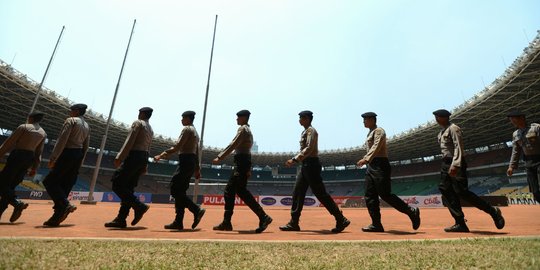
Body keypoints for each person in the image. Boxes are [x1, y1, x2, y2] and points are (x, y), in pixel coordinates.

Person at [433, 109, 505, 232]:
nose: (436, 119)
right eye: (436, 117)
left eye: (438, 117)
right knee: (446, 191)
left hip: (455, 162)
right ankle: (460, 222)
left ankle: (493, 211)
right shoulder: (441, 133)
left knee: (462, 192)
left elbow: (458, 147)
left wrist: (456, 164)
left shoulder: (454, 128)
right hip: (445, 164)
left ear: (445, 117)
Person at [279, 110, 350, 233]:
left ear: (307, 118)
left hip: (311, 164)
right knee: (297, 192)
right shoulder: (305, 131)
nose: (299, 120)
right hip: (305, 165)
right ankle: (294, 222)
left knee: (320, 194)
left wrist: (295, 159)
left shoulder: (311, 131)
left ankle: (340, 218)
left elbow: (309, 148)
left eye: (301, 118)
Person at [356, 112, 420, 232]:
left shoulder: (379, 131)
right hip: (371, 166)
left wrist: (366, 158)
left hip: (380, 165)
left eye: (365, 119)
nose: (363, 122)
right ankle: (376, 224)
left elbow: (376, 146)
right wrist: (367, 160)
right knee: (370, 196)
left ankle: (411, 211)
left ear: (372, 119)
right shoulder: (369, 132)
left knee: (385, 194)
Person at [211, 110, 272, 233]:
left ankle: (262, 216)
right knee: (238, 191)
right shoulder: (248, 130)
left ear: (244, 118)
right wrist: (248, 168)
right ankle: (228, 222)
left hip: (241, 163)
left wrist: (220, 157)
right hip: (244, 162)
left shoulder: (243, 129)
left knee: (232, 191)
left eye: (238, 117)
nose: (236, 119)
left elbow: (233, 144)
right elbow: (247, 150)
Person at [154, 110, 206, 230]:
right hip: (191, 162)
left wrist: (162, 154)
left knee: (175, 189)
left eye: (183, 118)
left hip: (185, 161)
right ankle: (178, 221)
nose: (181, 120)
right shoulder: (196, 133)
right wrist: (197, 169)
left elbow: (178, 146)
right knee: (180, 191)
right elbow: (197, 152)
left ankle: (196, 209)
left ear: (188, 119)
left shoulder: (187, 129)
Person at [104, 107, 154, 228]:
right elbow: (148, 147)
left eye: (139, 112)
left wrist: (120, 156)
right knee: (129, 188)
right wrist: (145, 164)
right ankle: (121, 218)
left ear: (142, 114)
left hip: (134, 156)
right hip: (143, 157)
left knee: (117, 183)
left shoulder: (138, 123)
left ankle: (139, 206)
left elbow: (130, 140)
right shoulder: (150, 129)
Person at [42, 103, 90, 227]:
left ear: (78, 111)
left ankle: (65, 204)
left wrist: (54, 157)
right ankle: (57, 216)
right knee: (65, 185)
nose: (70, 112)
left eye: (72, 110)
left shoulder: (71, 120)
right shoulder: (86, 125)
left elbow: (62, 139)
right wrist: (81, 161)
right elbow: (86, 146)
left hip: (67, 152)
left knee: (49, 181)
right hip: (78, 155)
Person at [0, 111, 47, 222]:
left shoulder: (24, 127)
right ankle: (9, 207)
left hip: (18, 155)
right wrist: (35, 167)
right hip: (29, 159)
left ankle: (17, 202)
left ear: (30, 118)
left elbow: (9, 143)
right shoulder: (43, 133)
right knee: (11, 186)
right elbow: (39, 152)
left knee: (2, 183)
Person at [506, 110, 540, 204]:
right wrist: (511, 166)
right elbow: (515, 151)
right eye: (510, 119)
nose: (512, 121)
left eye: (513, 119)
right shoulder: (516, 134)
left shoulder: (536, 128)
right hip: (529, 162)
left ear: (521, 118)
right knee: (535, 191)